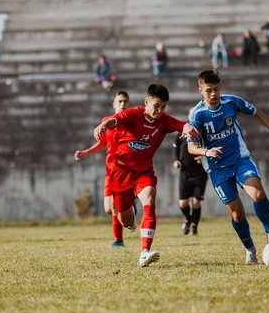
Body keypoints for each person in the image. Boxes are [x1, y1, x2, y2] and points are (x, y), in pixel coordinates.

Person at [188, 70, 269, 265]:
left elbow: (256, 111)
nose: (213, 94)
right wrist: (205, 152)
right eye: (208, 90)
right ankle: (250, 250)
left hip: (239, 159)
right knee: (237, 213)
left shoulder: (231, 102)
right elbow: (190, 147)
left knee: (258, 194)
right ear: (200, 90)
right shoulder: (198, 115)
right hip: (217, 168)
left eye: (216, 89)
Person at [93, 84, 199, 266]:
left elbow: (179, 124)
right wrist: (103, 125)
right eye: (156, 106)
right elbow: (115, 120)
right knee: (124, 219)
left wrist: (187, 127)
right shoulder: (134, 114)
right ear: (146, 102)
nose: (159, 110)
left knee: (149, 199)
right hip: (121, 172)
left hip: (144, 171)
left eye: (163, 106)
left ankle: (144, 252)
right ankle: (131, 217)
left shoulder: (163, 120)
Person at [75, 91, 131, 247]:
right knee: (108, 208)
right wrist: (85, 152)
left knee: (114, 206)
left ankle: (118, 241)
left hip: (126, 171)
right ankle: (128, 208)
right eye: (119, 101)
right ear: (114, 104)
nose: (122, 104)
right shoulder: (106, 122)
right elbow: (102, 143)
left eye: (125, 101)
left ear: (129, 104)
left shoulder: (132, 122)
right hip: (110, 171)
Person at [173, 107, 208, 236]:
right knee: (183, 203)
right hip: (185, 172)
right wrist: (176, 160)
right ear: (188, 116)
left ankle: (194, 226)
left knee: (196, 202)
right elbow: (176, 148)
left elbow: (209, 148)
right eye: (191, 114)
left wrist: (204, 156)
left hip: (200, 173)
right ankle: (188, 219)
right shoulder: (182, 132)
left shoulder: (204, 132)